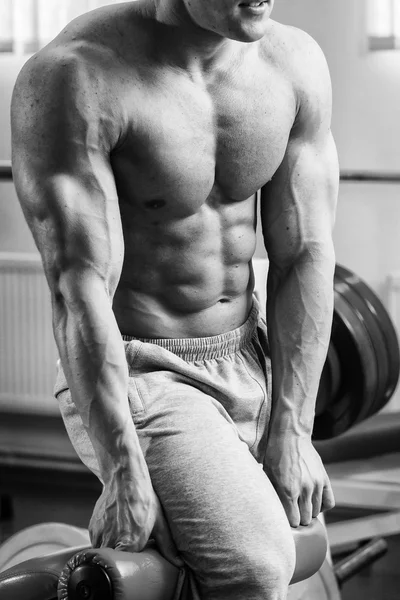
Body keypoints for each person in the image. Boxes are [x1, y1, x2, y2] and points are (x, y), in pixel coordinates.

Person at [11, 0, 338, 598]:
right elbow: (79, 287)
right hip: (142, 368)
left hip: (248, 354)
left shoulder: (293, 66)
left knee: (296, 547)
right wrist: (122, 465)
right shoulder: (78, 76)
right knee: (256, 564)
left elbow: (306, 253)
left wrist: (294, 428)